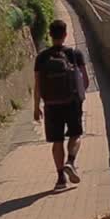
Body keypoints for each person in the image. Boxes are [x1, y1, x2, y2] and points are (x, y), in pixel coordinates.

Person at [33, 19, 89, 190]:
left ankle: (60, 180)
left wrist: (36, 107)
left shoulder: (41, 57)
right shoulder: (75, 54)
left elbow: (37, 85)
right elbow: (85, 80)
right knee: (76, 135)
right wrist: (79, 96)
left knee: (57, 142)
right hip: (72, 102)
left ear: (50, 35)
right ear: (65, 35)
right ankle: (70, 162)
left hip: (50, 105)